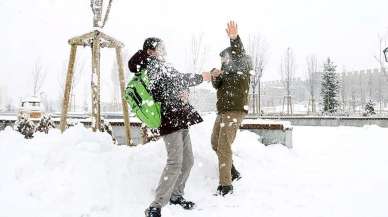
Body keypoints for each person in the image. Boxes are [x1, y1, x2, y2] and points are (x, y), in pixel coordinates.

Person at [128, 37, 211, 217]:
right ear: (150, 51)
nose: (163, 50)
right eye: (160, 47)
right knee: (175, 163)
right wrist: (200, 77)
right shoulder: (152, 66)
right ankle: (155, 206)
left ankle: (176, 195)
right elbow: (176, 80)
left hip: (180, 117)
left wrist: (184, 93)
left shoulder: (162, 65)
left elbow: (174, 84)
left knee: (188, 161)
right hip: (169, 119)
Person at [210, 21, 253, 196]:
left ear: (231, 57)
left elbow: (239, 51)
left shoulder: (241, 64)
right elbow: (217, 85)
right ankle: (232, 171)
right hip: (223, 111)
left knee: (224, 145)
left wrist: (234, 38)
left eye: (224, 58)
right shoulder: (225, 71)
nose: (222, 61)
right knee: (215, 143)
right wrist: (215, 76)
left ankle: (226, 185)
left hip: (234, 111)